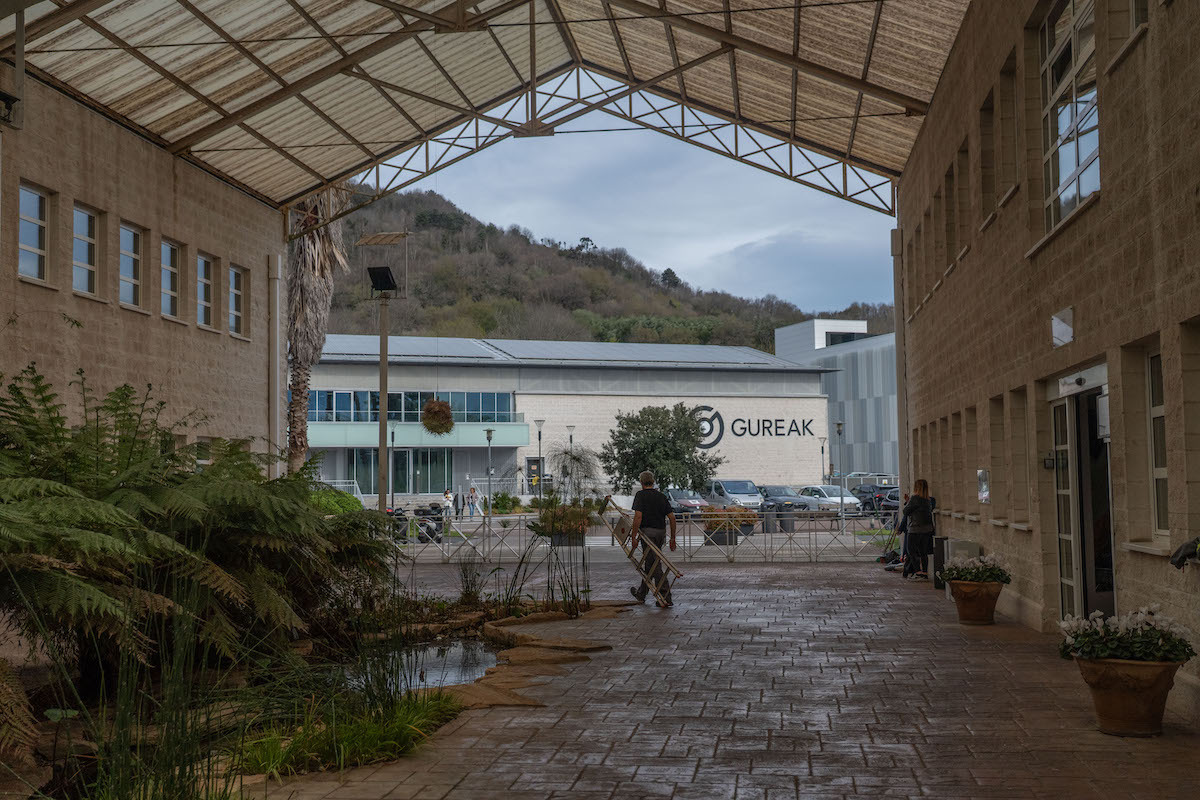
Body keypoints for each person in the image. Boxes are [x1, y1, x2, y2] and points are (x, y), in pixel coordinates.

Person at [629, 470, 677, 608]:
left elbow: (638, 517)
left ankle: (666, 596)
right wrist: (672, 538)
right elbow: (672, 518)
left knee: (655, 564)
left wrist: (633, 537)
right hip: (660, 533)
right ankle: (641, 593)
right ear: (653, 481)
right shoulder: (661, 496)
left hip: (647, 534)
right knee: (650, 562)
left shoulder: (640, 496)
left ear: (641, 482)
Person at [902, 478, 936, 581]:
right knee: (923, 552)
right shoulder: (929, 500)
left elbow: (905, 511)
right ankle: (925, 573)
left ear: (916, 487)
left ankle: (918, 572)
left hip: (915, 529)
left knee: (911, 551)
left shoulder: (914, 498)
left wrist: (907, 502)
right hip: (927, 529)